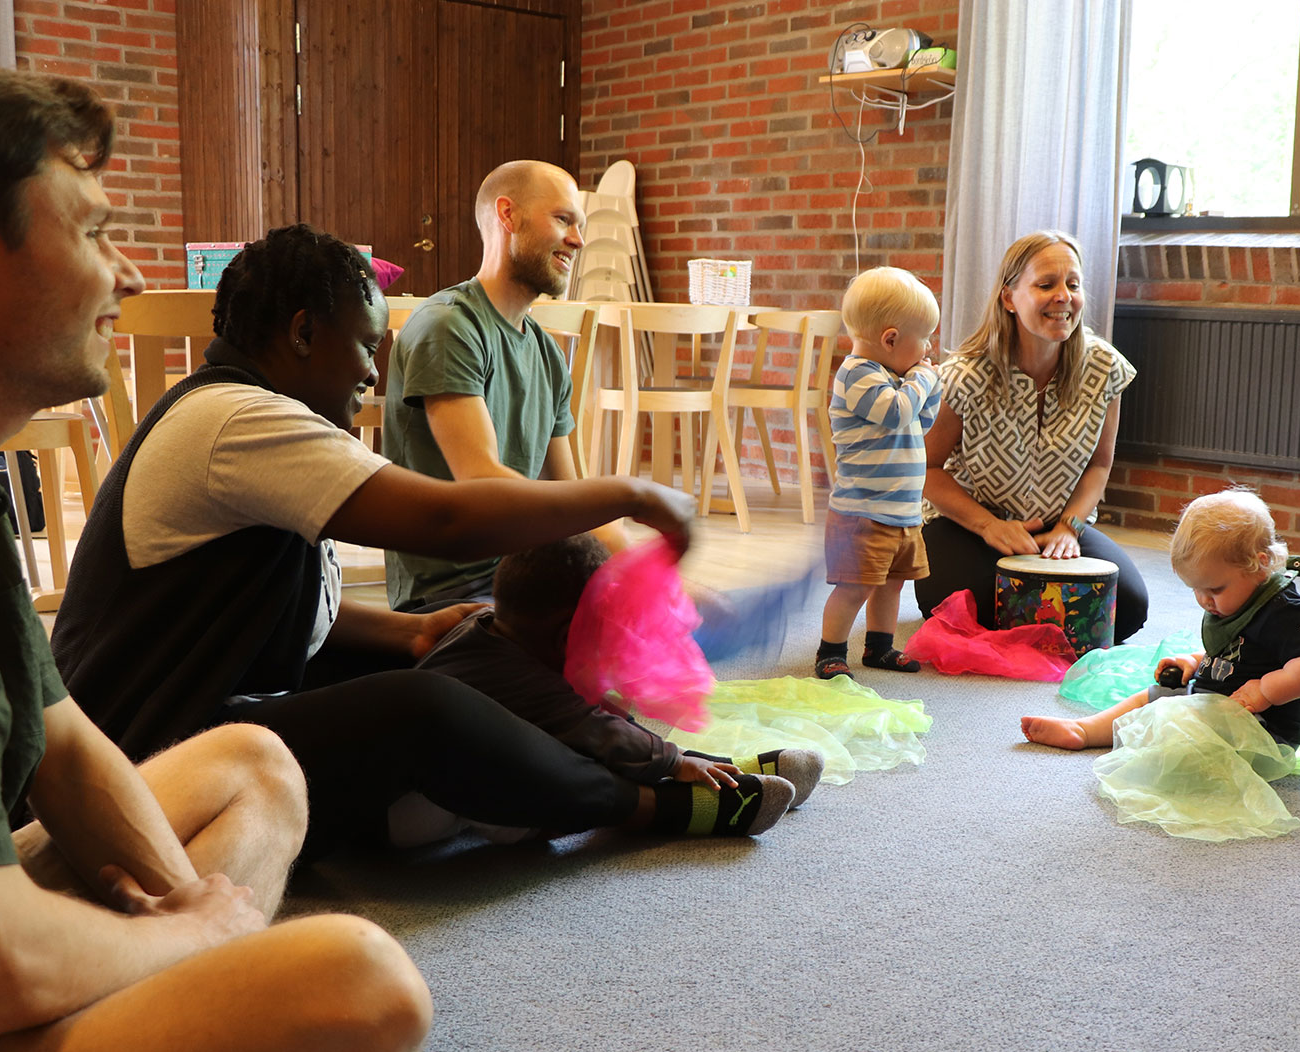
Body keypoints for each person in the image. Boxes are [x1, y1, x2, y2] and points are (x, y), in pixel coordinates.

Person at [0, 59, 432, 1052]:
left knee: (257, 761)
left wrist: (196, 923)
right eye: (91, 230)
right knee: (354, 1014)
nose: (129, 272)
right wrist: (194, 952)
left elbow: (66, 739)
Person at [52, 225, 794, 845]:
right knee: (428, 711)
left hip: (218, 706)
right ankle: (648, 803)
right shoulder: (238, 419)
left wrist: (408, 633)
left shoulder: (242, 415)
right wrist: (632, 493)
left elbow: (279, 613)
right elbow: (448, 521)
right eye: (366, 346)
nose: (373, 372)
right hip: (149, 756)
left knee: (458, 655)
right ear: (305, 333)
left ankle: (670, 763)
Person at [415, 535, 824, 815]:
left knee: (603, 719)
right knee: (560, 778)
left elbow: (597, 714)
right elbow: (594, 729)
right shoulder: (522, 678)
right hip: (422, 809)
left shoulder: (494, 627)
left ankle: (719, 768)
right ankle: (685, 805)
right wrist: (673, 760)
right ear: (565, 637)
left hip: (439, 771)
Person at [382, 159, 592, 612]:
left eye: (580, 225)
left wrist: (646, 581)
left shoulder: (548, 354)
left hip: (524, 585)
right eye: (563, 219)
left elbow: (567, 499)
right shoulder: (449, 326)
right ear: (508, 215)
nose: (578, 239)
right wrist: (628, 511)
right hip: (450, 598)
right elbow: (483, 483)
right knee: (573, 679)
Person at [916, 231, 1146, 640]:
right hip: (968, 525)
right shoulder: (962, 376)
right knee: (971, 602)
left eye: (1073, 285)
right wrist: (989, 526)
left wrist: (1069, 528)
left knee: (1127, 607)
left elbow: (1100, 464)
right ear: (1009, 298)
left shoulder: (1105, 367)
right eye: (1046, 284)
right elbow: (928, 469)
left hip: (1058, 528)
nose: (1064, 296)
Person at [1021, 489, 1300, 751]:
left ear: (1260, 564)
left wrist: (1266, 690)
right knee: (1153, 697)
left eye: (1214, 588)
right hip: (1211, 704)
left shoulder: (1285, 611)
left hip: (1262, 730)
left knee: (1176, 727)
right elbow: (1234, 656)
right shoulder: (1232, 601)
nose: (1204, 600)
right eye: (1196, 589)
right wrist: (1195, 661)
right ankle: (1086, 730)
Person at [816, 266, 942, 679]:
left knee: (892, 585)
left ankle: (879, 647)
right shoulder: (857, 374)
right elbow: (894, 414)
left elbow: (917, 423)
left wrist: (928, 390)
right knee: (855, 587)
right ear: (890, 338)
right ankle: (831, 650)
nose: (927, 350)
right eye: (922, 339)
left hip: (902, 511)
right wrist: (924, 378)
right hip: (863, 514)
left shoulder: (893, 377)